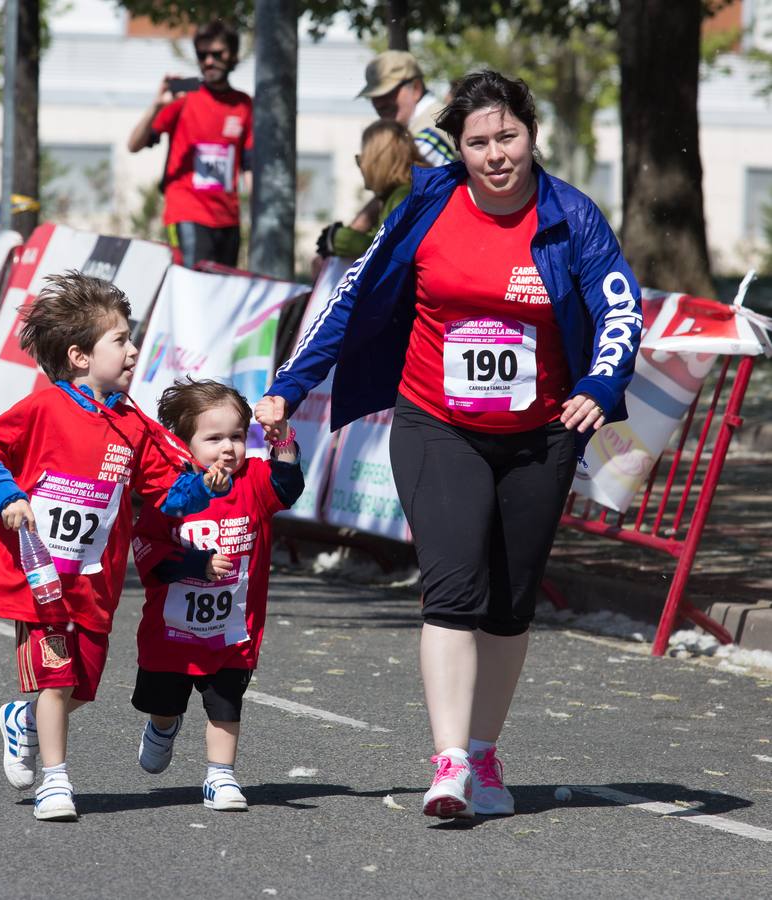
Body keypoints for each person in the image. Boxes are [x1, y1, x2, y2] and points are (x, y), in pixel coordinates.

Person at [256, 70, 642, 820]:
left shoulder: (571, 216)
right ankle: (450, 761)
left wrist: (599, 383)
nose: (496, 154)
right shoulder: (426, 204)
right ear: (456, 148)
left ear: (531, 136)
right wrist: (291, 385)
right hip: (438, 423)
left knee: (510, 604)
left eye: (508, 137)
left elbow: (619, 309)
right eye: (478, 142)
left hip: (542, 434)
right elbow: (351, 300)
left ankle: (487, 753)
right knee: (453, 585)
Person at [0, 271, 232, 823]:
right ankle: (55, 783)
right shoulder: (42, 410)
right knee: (57, 682)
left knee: (81, 687)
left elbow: (163, 494)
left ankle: (22, 719)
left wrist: (201, 484)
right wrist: (8, 495)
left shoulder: (135, 425)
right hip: (39, 583)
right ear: (81, 356)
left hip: (95, 584)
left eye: (133, 339)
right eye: (122, 341)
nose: (134, 351)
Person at [131, 379, 303, 811]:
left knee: (225, 703)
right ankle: (162, 726)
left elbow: (288, 485)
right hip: (171, 633)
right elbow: (149, 553)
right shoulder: (170, 493)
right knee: (165, 701)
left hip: (231, 629)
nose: (228, 448)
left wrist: (282, 437)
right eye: (214, 438)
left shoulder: (255, 480)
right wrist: (197, 566)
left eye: (237, 437)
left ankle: (220, 776)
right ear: (182, 443)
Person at [127, 19, 252, 268]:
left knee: (224, 290)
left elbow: (249, 166)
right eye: (202, 55)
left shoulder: (244, 103)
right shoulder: (184, 91)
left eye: (217, 54)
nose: (208, 61)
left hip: (228, 218)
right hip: (187, 211)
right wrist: (157, 105)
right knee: (194, 285)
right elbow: (134, 144)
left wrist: (262, 215)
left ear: (233, 55)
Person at [315, 119, 425, 262]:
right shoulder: (406, 191)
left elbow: (383, 249)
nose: (361, 166)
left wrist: (338, 239)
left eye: (362, 159)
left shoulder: (402, 196)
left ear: (379, 161)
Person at [358, 50, 456, 169]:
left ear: (416, 88)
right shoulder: (426, 122)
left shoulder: (427, 137)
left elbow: (393, 180)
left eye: (388, 93)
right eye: (374, 96)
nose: (379, 104)